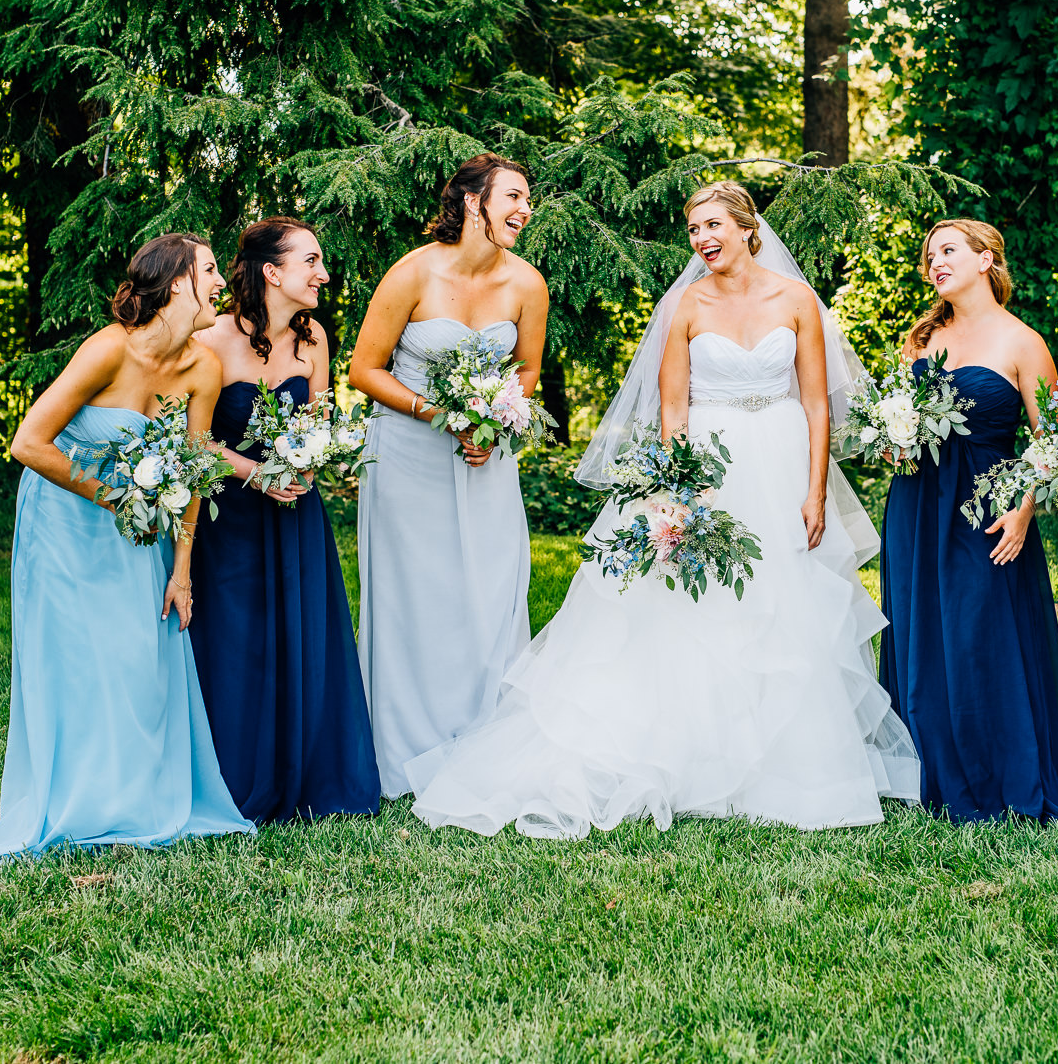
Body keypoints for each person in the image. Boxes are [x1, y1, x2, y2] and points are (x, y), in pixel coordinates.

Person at [405, 181, 919, 838]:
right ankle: (691, 758)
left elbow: (818, 403)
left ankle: (781, 765)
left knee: (782, 610)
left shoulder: (796, 300)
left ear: (745, 226)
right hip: (708, 463)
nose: (702, 240)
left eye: (712, 226)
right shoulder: (684, 304)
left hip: (783, 460)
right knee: (689, 610)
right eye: (693, 231)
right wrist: (682, 486)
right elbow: (673, 408)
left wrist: (815, 490)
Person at [0, 233, 254, 857]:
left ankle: (135, 799)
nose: (220, 283)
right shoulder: (108, 350)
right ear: (177, 283)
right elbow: (29, 443)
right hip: (65, 520)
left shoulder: (202, 368)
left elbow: (190, 473)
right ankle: (79, 801)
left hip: (143, 528)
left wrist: (182, 569)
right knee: (78, 660)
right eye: (210, 271)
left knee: (138, 657)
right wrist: (117, 497)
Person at [347, 154, 550, 799]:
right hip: (408, 454)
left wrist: (495, 423)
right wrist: (435, 413)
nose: (524, 209)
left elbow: (525, 370)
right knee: (416, 594)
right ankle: (406, 749)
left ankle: (487, 735)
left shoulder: (528, 284)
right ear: (472, 203)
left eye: (527, 199)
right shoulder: (412, 272)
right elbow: (365, 369)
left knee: (490, 588)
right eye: (512, 197)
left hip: (486, 457)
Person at [188, 218, 380, 823]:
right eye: (312, 262)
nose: (323, 274)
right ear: (272, 272)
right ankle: (236, 780)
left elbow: (318, 421)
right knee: (236, 644)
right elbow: (193, 443)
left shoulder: (314, 338)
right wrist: (255, 473)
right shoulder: (213, 341)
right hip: (230, 520)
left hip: (296, 511)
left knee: (305, 637)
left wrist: (313, 461)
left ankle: (313, 778)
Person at [877, 218, 1058, 823]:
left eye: (949, 251)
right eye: (929, 254)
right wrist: (891, 442)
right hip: (915, 503)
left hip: (987, 505)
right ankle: (926, 773)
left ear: (987, 259)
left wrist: (1024, 510)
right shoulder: (922, 339)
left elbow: (1052, 441)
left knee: (977, 633)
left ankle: (997, 774)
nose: (935, 262)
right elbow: (899, 422)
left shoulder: (1022, 342)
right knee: (920, 627)